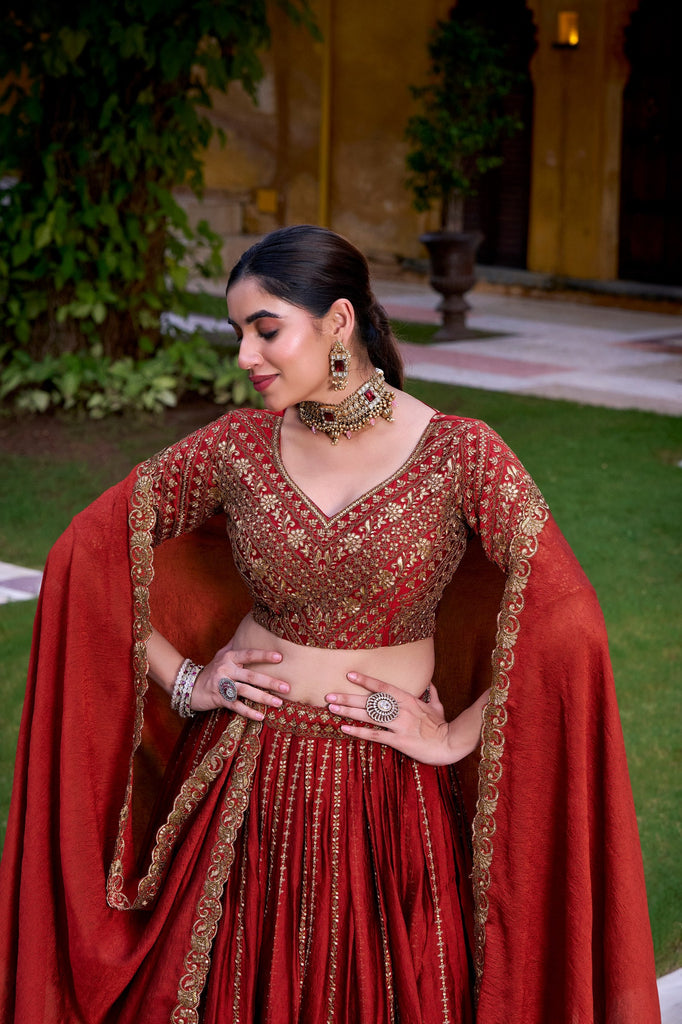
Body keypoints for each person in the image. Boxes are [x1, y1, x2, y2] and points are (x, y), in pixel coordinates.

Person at [0, 226, 660, 1024]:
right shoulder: (237, 447)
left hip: (388, 802)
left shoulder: (461, 455)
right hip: (244, 785)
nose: (246, 355)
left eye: (266, 329)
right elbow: (87, 558)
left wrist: (453, 739)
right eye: (239, 332)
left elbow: (566, 618)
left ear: (339, 321)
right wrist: (185, 677)